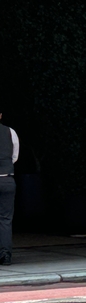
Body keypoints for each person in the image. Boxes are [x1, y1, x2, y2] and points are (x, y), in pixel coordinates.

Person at [0, 106, 19, 265]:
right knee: (5, 219)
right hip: (6, 179)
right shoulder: (10, 132)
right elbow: (14, 156)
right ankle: (5, 255)